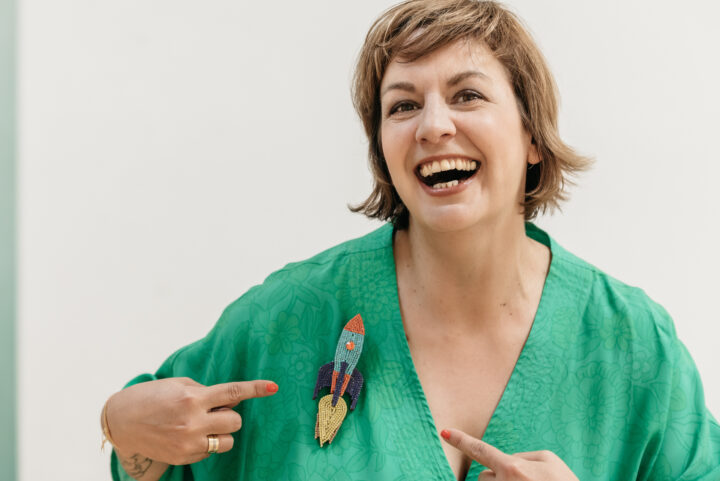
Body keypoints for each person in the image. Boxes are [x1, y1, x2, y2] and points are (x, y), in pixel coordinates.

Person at [101, 1, 720, 480]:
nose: (433, 125)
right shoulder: (285, 319)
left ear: (532, 135)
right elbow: (155, 462)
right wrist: (120, 429)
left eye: (467, 95)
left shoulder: (633, 345)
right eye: (402, 106)